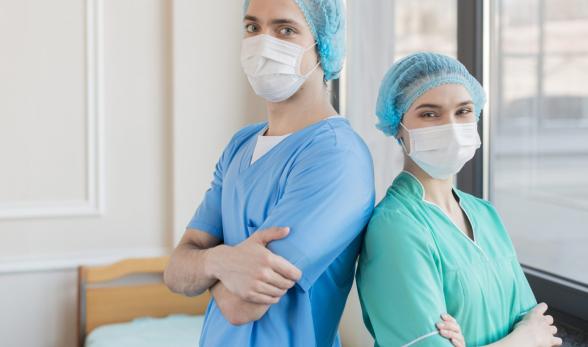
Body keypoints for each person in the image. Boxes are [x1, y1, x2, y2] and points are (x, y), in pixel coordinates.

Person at [164, 0, 375, 346]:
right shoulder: (241, 144)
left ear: (324, 45)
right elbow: (175, 271)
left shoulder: (337, 156)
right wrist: (222, 261)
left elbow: (239, 305)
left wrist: (204, 264)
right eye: (252, 28)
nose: (263, 42)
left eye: (285, 30)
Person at [356, 52, 563, 347]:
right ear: (398, 126)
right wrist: (524, 338)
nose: (451, 127)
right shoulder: (395, 228)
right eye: (430, 114)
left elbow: (540, 326)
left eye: (463, 111)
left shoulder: (484, 214)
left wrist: (529, 334)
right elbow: (533, 334)